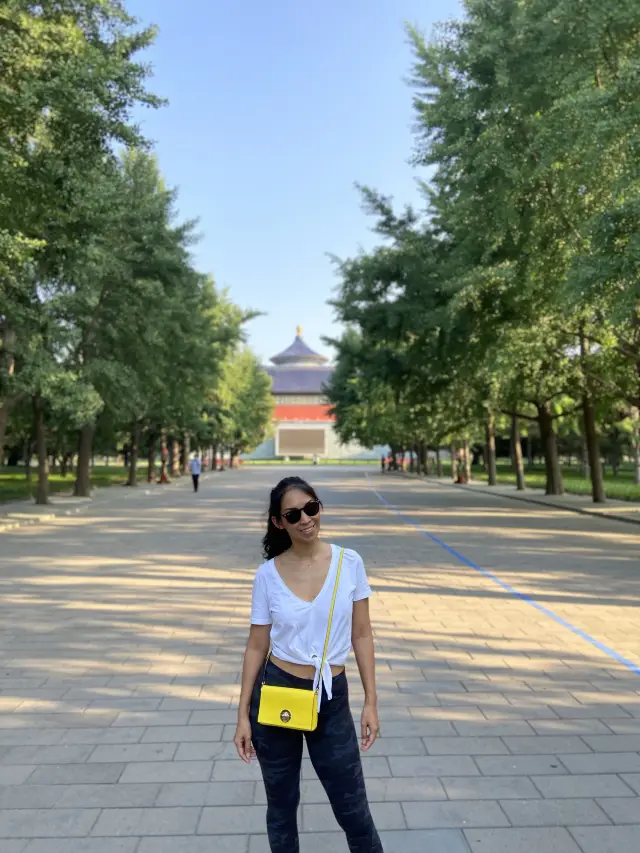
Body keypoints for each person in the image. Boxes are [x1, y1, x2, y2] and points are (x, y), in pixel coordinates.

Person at [234, 476, 383, 853]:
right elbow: (256, 645)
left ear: (320, 507)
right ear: (278, 522)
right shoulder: (267, 575)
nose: (305, 519)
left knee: (353, 809)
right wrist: (241, 716)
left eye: (311, 508)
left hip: (331, 697)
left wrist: (370, 702)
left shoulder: (350, 563)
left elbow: (362, 634)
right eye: (293, 513)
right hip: (278, 693)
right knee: (282, 808)